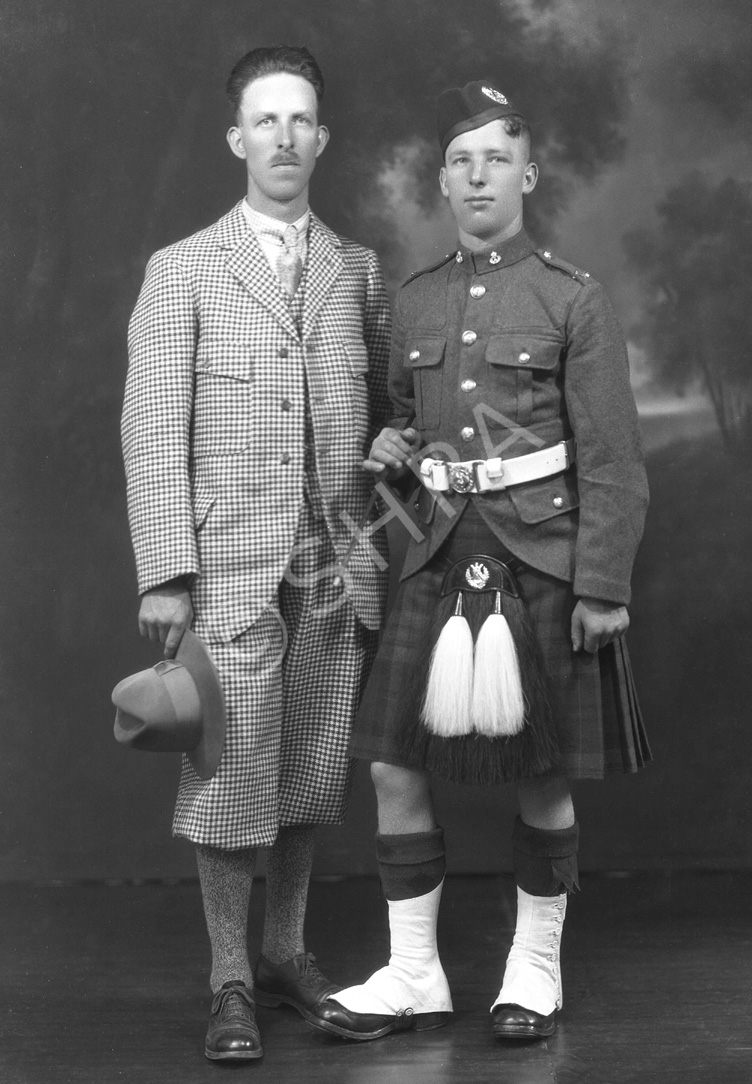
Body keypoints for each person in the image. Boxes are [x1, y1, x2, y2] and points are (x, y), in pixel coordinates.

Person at [308, 80, 650, 1044]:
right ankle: (415, 973)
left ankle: (531, 970)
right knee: (393, 769)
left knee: (542, 769)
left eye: (495, 157)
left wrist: (603, 587)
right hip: (432, 551)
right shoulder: (413, 302)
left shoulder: (572, 297)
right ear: (443, 182)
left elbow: (615, 457)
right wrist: (391, 450)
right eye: (459, 160)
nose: (476, 175)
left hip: (541, 554)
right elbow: (408, 430)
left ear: (528, 173)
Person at [121, 46, 391, 1061]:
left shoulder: (354, 268)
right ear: (238, 140)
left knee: (311, 769)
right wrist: (165, 571)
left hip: (335, 565)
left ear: (320, 139)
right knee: (232, 770)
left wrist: (386, 474)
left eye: (300, 121)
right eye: (264, 121)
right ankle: (228, 978)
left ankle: (285, 952)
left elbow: (380, 415)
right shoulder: (185, 268)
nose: (283, 138)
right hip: (227, 566)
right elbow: (153, 434)